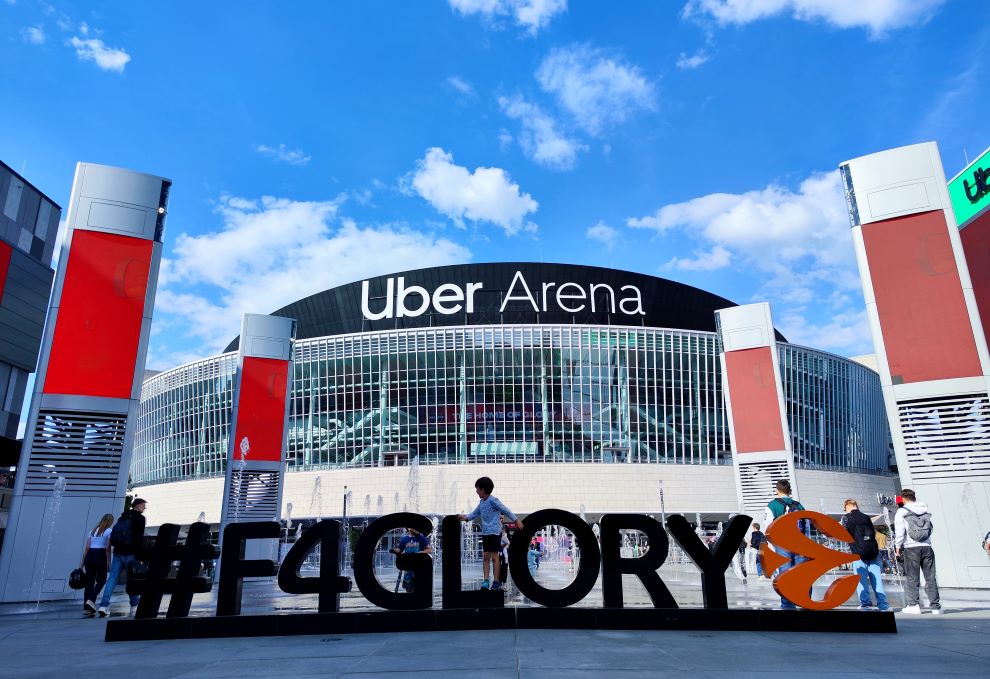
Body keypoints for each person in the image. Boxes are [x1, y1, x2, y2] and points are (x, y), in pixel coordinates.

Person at [458, 476, 522, 591]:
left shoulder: (493, 500)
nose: (476, 492)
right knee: (485, 557)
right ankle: (486, 581)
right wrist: (465, 518)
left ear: (483, 489)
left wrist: (516, 520)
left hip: (494, 532)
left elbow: (505, 510)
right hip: (486, 532)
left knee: (494, 557)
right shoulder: (482, 502)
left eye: (477, 489)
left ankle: (496, 582)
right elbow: (474, 513)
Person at [98, 498, 148, 617]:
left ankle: (103, 606)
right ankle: (134, 606)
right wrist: (139, 554)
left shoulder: (123, 517)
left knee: (112, 579)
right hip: (131, 553)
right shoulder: (140, 519)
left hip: (118, 552)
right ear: (137, 506)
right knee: (133, 580)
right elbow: (138, 538)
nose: (144, 508)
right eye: (143, 506)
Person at [894, 488, 941, 614]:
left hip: (911, 547)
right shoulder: (924, 509)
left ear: (903, 499)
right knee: (930, 577)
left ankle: (913, 605)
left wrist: (897, 547)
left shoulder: (902, 511)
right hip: (927, 547)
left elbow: (899, 532)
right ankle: (935, 607)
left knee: (912, 577)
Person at [763, 479, 807, 609]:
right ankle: (805, 601)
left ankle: (787, 604)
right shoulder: (799, 505)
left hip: (782, 543)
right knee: (802, 572)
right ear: (789, 491)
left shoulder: (772, 505)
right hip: (800, 543)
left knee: (785, 573)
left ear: (777, 490)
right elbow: (806, 524)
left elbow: (768, 526)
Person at [840, 499, 889, 611]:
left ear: (847, 507)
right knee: (876, 578)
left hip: (858, 553)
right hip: (872, 551)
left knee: (861, 579)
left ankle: (865, 604)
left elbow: (844, 534)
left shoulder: (846, 518)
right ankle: (883, 604)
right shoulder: (866, 517)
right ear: (856, 505)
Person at [79, 513, 114, 617]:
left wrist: (81, 565)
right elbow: (108, 548)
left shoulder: (92, 531)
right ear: (110, 522)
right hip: (100, 555)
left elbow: (86, 548)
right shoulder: (109, 531)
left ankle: (87, 609)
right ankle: (91, 599)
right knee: (101, 580)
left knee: (89, 582)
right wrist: (109, 562)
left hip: (90, 555)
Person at [389, 527, 431, 592]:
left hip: (419, 566)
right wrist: (394, 550)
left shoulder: (421, 538)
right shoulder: (404, 539)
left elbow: (429, 550)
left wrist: (418, 553)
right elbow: (400, 550)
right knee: (408, 588)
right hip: (408, 567)